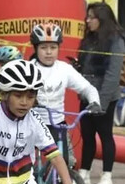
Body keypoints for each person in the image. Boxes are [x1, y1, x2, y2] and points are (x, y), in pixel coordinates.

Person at [77, 2, 125, 184]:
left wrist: (101, 102)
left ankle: (107, 177)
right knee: (87, 135)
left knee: (105, 135)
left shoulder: (115, 40)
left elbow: (113, 75)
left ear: (102, 19)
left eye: (91, 17)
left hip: (104, 95)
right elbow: (85, 66)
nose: (87, 21)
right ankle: (84, 174)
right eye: (87, 17)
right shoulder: (89, 39)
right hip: (86, 93)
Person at [30, 23, 101, 154]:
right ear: (36, 49)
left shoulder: (64, 69)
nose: (49, 52)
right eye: (43, 47)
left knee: (65, 163)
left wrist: (94, 102)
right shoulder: (28, 68)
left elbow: (88, 88)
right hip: (31, 124)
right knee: (26, 166)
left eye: (53, 47)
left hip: (57, 124)